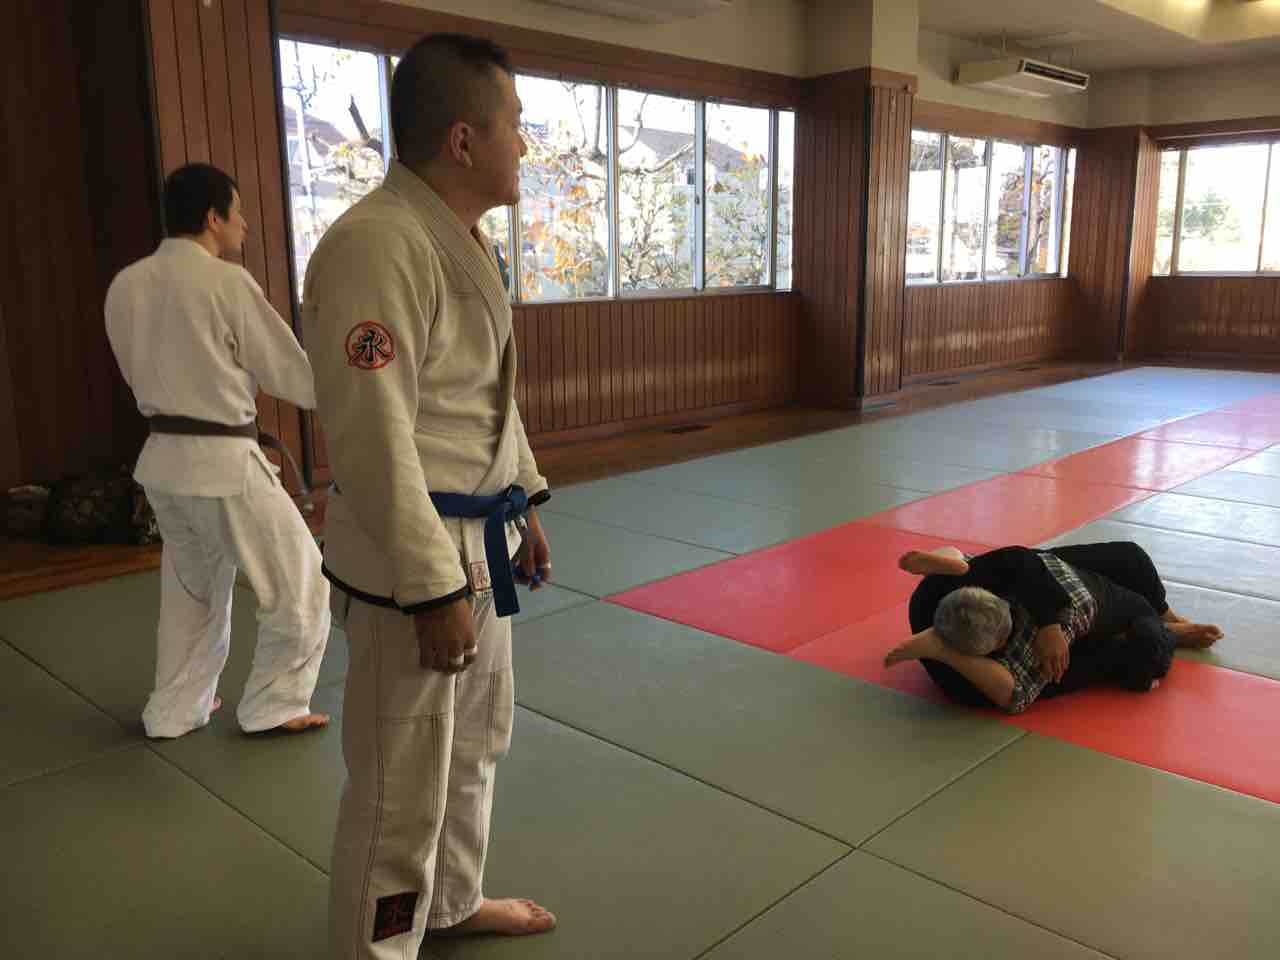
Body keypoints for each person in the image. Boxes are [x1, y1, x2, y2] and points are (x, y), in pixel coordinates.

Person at [301, 33, 557, 959]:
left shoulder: (459, 239)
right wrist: (430, 587)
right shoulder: (377, 245)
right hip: (415, 563)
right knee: (399, 783)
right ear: (462, 139)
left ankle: (449, 903)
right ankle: (375, 950)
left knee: (476, 741)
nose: (523, 143)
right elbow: (372, 439)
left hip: (478, 541)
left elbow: (482, 394)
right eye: (515, 124)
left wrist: (522, 499)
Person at [104, 162, 330, 739]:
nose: (245, 225)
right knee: (302, 579)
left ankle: (175, 710)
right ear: (212, 217)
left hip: (162, 464)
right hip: (223, 466)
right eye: (239, 213)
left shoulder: (125, 285)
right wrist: (350, 388)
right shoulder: (226, 283)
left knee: (192, 594)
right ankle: (275, 703)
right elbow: (290, 374)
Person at [883, 541, 1222, 713]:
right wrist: (1052, 628)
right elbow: (1014, 697)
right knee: (1142, 654)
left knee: (1129, 558)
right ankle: (1167, 631)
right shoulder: (974, 682)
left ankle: (1167, 618)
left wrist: (1049, 625)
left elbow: (1019, 559)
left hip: (954, 592)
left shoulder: (940, 595)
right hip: (1078, 622)